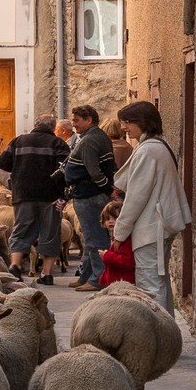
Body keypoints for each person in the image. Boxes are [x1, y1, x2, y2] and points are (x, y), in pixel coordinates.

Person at [110, 100, 191, 312]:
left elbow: (137, 197)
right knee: (158, 285)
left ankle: (158, 339)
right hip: (157, 225)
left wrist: (120, 232)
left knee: (150, 287)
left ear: (142, 122)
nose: (124, 127)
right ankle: (166, 337)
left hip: (151, 227)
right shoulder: (156, 146)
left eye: (127, 122)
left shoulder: (148, 151)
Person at [0, 114, 69, 285]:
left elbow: (2, 162)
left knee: (22, 229)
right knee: (50, 231)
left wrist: (20, 167)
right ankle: (47, 273)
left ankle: (15, 264)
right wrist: (64, 194)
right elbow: (67, 168)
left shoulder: (19, 141)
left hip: (23, 194)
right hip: (50, 196)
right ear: (53, 128)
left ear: (35, 124)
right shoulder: (58, 143)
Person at [62, 104, 117, 293]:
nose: (74, 124)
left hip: (89, 195)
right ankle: (86, 275)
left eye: (77, 121)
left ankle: (98, 279)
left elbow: (94, 171)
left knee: (94, 238)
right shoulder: (95, 137)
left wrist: (106, 188)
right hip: (90, 193)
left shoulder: (89, 141)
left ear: (89, 120)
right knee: (90, 237)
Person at [98, 200, 134, 288]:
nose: (111, 221)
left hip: (123, 283)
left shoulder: (125, 239)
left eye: (115, 218)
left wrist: (107, 256)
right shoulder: (116, 237)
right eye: (107, 219)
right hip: (118, 282)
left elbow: (127, 261)